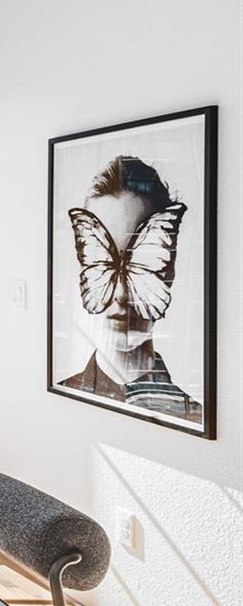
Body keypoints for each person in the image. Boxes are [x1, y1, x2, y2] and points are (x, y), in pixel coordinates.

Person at [58, 155, 201, 424]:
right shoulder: (64, 394)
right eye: (105, 262)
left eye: (142, 262)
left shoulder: (193, 416)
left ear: (169, 270)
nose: (122, 295)